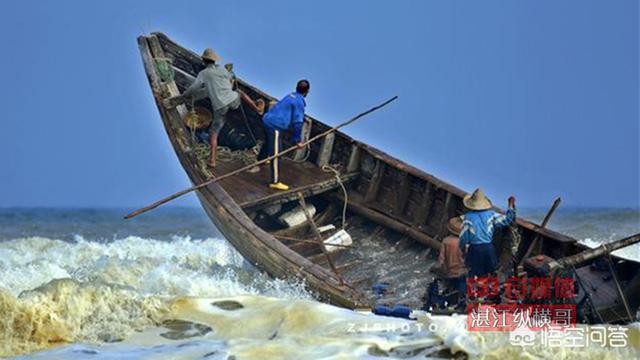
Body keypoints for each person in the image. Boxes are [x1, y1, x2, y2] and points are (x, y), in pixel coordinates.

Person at [181, 48, 264, 168]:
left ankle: (212, 160)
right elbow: (230, 78)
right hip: (233, 101)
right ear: (214, 61)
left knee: (214, 133)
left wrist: (185, 95)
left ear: (204, 61)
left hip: (219, 107)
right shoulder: (221, 69)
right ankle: (258, 109)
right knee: (240, 93)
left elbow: (194, 88)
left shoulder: (203, 74)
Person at [257, 80, 309, 191]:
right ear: (307, 92)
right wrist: (297, 141)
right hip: (275, 126)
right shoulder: (300, 102)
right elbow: (297, 124)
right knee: (277, 154)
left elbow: (287, 109)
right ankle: (275, 182)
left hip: (267, 119)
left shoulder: (291, 96)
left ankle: (261, 160)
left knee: (268, 142)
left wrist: (303, 117)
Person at [459, 188, 516, 278]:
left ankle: (472, 290)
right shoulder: (491, 215)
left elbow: (463, 238)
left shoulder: (467, 218)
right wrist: (510, 206)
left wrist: (462, 250)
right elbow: (507, 219)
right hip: (488, 249)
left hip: (474, 249)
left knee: (472, 272)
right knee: (489, 273)